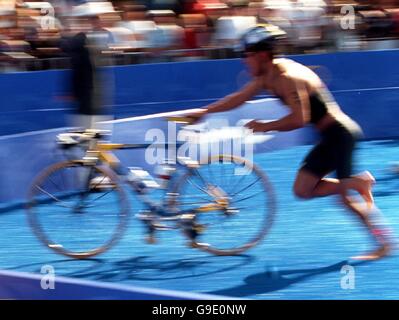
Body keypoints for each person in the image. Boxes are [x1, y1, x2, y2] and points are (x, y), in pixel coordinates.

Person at [186, 25, 393, 260]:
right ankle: (357, 183)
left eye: (246, 55)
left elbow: (299, 119)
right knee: (302, 190)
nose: (244, 61)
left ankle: (384, 242)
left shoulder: (287, 78)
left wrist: (265, 126)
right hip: (330, 137)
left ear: (262, 54)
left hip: (340, 136)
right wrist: (204, 111)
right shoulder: (267, 75)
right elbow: (238, 99)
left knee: (345, 200)